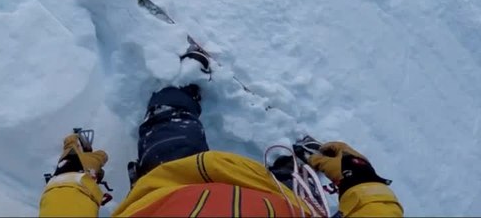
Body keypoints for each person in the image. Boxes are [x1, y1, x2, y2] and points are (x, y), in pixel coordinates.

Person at [39, 48, 403, 217]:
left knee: (170, 129)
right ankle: (292, 167)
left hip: (172, 185)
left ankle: (177, 93)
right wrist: (360, 179)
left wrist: (73, 174)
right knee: (288, 176)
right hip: (276, 199)